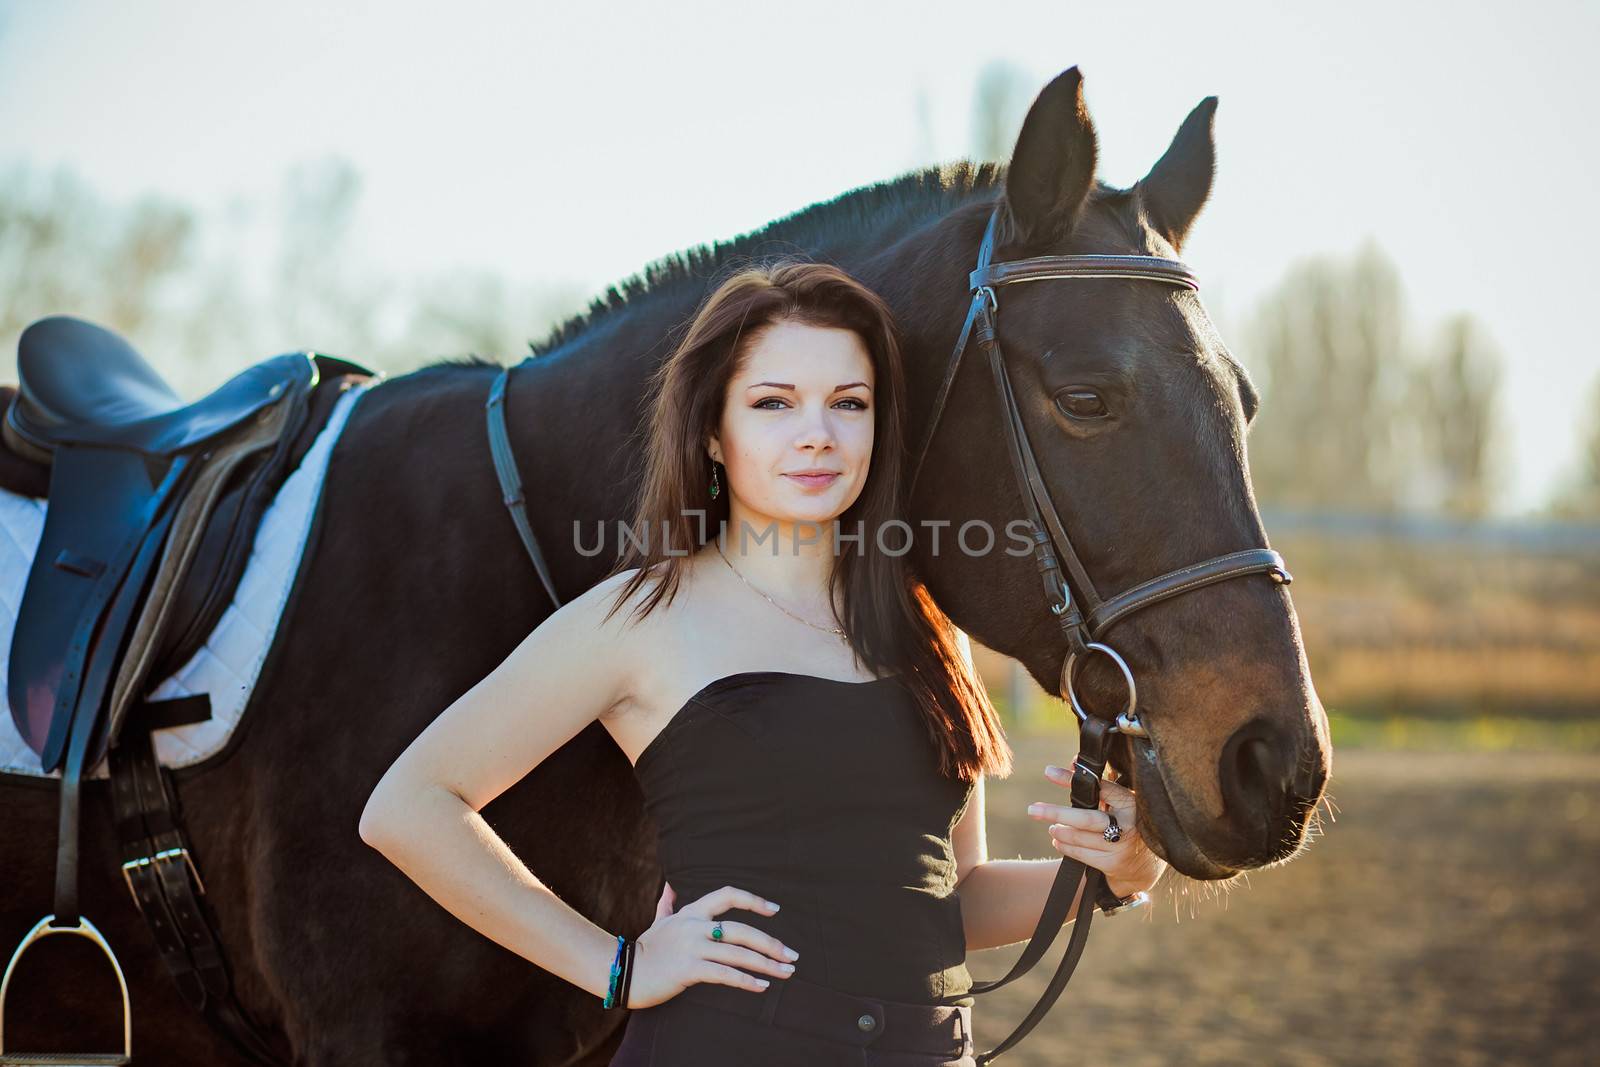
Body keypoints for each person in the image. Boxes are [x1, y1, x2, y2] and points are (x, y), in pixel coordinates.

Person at [359, 261, 1165, 1066]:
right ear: (714, 431)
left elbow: (948, 902)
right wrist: (617, 966)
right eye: (773, 403)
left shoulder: (926, 627)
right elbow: (409, 804)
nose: (817, 433)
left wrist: (1114, 871)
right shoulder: (640, 618)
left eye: (848, 404)